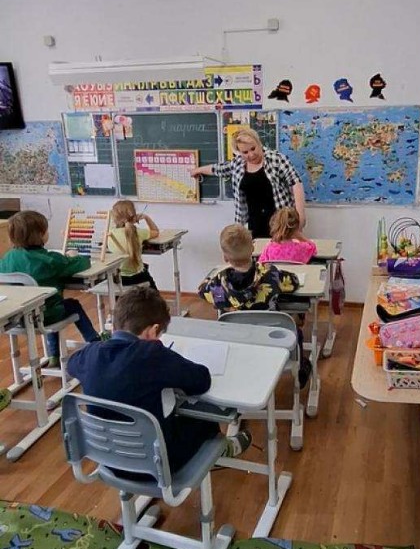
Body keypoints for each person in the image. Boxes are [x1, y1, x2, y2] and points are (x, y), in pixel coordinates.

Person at [67, 286, 251, 476]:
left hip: (107, 459)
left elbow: (71, 365)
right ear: (153, 331)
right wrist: (165, 357)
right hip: (157, 465)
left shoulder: (90, 354)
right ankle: (223, 449)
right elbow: (202, 380)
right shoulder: (152, 355)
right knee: (202, 420)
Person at [198, 224, 312, 386]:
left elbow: (201, 290)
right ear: (253, 248)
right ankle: (300, 366)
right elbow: (293, 282)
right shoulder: (270, 273)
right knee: (296, 332)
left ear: (225, 257)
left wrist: (209, 280)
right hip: (273, 343)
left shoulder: (219, 283)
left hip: (237, 344)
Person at [0, 211, 101, 367]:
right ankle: (95, 341)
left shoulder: (7, 259)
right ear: (40, 235)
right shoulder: (51, 260)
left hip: (18, 318)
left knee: (47, 304)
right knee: (71, 305)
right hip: (47, 316)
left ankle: (54, 355)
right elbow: (83, 263)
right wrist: (73, 256)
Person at [191, 128, 306, 238]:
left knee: (280, 251)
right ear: (239, 152)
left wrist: (300, 216)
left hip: (281, 224)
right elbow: (219, 169)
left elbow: (295, 182)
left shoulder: (276, 159)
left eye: (253, 148)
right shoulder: (238, 164)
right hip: (253, 226)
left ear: (259, 143)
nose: (251, 154)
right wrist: (197, 170)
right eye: (245, 152)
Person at [107, 200, 159, 290]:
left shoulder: (110, 233)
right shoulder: (138, 233)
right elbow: (156, 231)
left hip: (118, 280)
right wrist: (146, 217)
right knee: (154, 294)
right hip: (138, 277)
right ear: (134, 216)